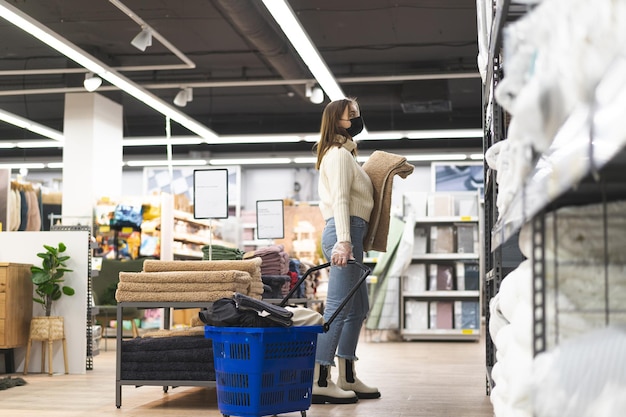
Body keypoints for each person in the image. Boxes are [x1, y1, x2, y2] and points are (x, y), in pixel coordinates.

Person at [312, 97, 381, 404]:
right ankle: (320, 379)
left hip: (351, 232)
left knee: (357, 309)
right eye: (350, 115)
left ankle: (347, 376)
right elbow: (340, 200)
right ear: (335, 122)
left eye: (357, 113)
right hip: (344, 233)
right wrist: (344, 240)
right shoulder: (338, 155)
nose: (356, 118)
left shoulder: (348, 156)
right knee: (338, 309)